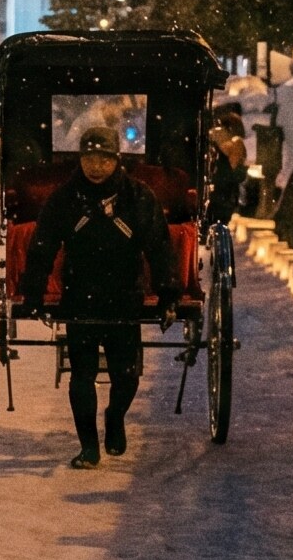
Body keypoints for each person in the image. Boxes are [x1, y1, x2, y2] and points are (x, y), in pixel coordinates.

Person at [19, 127, 181, 470]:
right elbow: (43, 247)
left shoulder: (137, 196)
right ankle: (88, 446)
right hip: (80, 296)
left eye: (103, 159)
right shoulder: (65, 198)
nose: (96, 166)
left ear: (116, 160)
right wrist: (33, 292)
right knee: (82, 375)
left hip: (124, 296)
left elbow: (159, 249)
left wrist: (169, 296)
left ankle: (115, 416)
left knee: (127, 376)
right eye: (89, 158)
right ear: (80, 159)